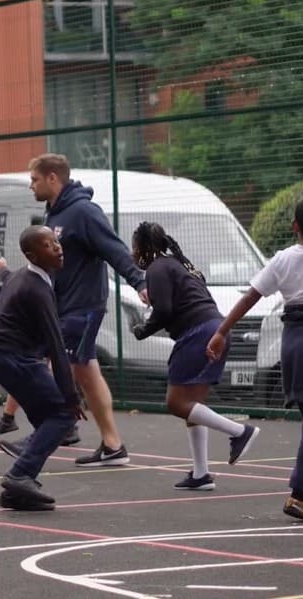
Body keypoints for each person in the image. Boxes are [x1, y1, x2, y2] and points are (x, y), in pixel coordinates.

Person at [2, 153, 145, 467]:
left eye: (34, 179)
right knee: (86, 373)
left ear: (53, 177)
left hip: (84, 307)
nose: (31, 186)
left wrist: (139, 281)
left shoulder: (83, 212)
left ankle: (50, 429)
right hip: (65, 307)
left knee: (48, 362)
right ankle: (113, 445)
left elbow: (114, 248)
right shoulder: (53, 215)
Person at [129, 222, 259, 491]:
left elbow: (164, 310)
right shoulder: (178, 264)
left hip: (197, 333)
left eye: (134, 247)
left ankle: (240, 432)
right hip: (217, 330)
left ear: (144, 247)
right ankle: (201, 475)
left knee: (176, 403)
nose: (133, 253)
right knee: (193, 407)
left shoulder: (157, 267)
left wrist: (143, 329)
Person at [207, 200, 303, 519]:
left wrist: (221, 331)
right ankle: (299, 494)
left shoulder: (283, 260)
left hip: (293, 343)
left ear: (294, 227)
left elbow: (250, 297)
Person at [0, 227, 85, 510]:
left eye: (56, 242)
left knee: (47, 420)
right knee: (63, 416)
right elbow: (56, 345)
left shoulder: (19, 277)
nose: (57, 247)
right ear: (32, 255)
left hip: (2, 356)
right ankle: (20, 474)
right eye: (48, 244)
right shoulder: (38, 289)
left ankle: (16, 493)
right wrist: (71, 395)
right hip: (17, 358)